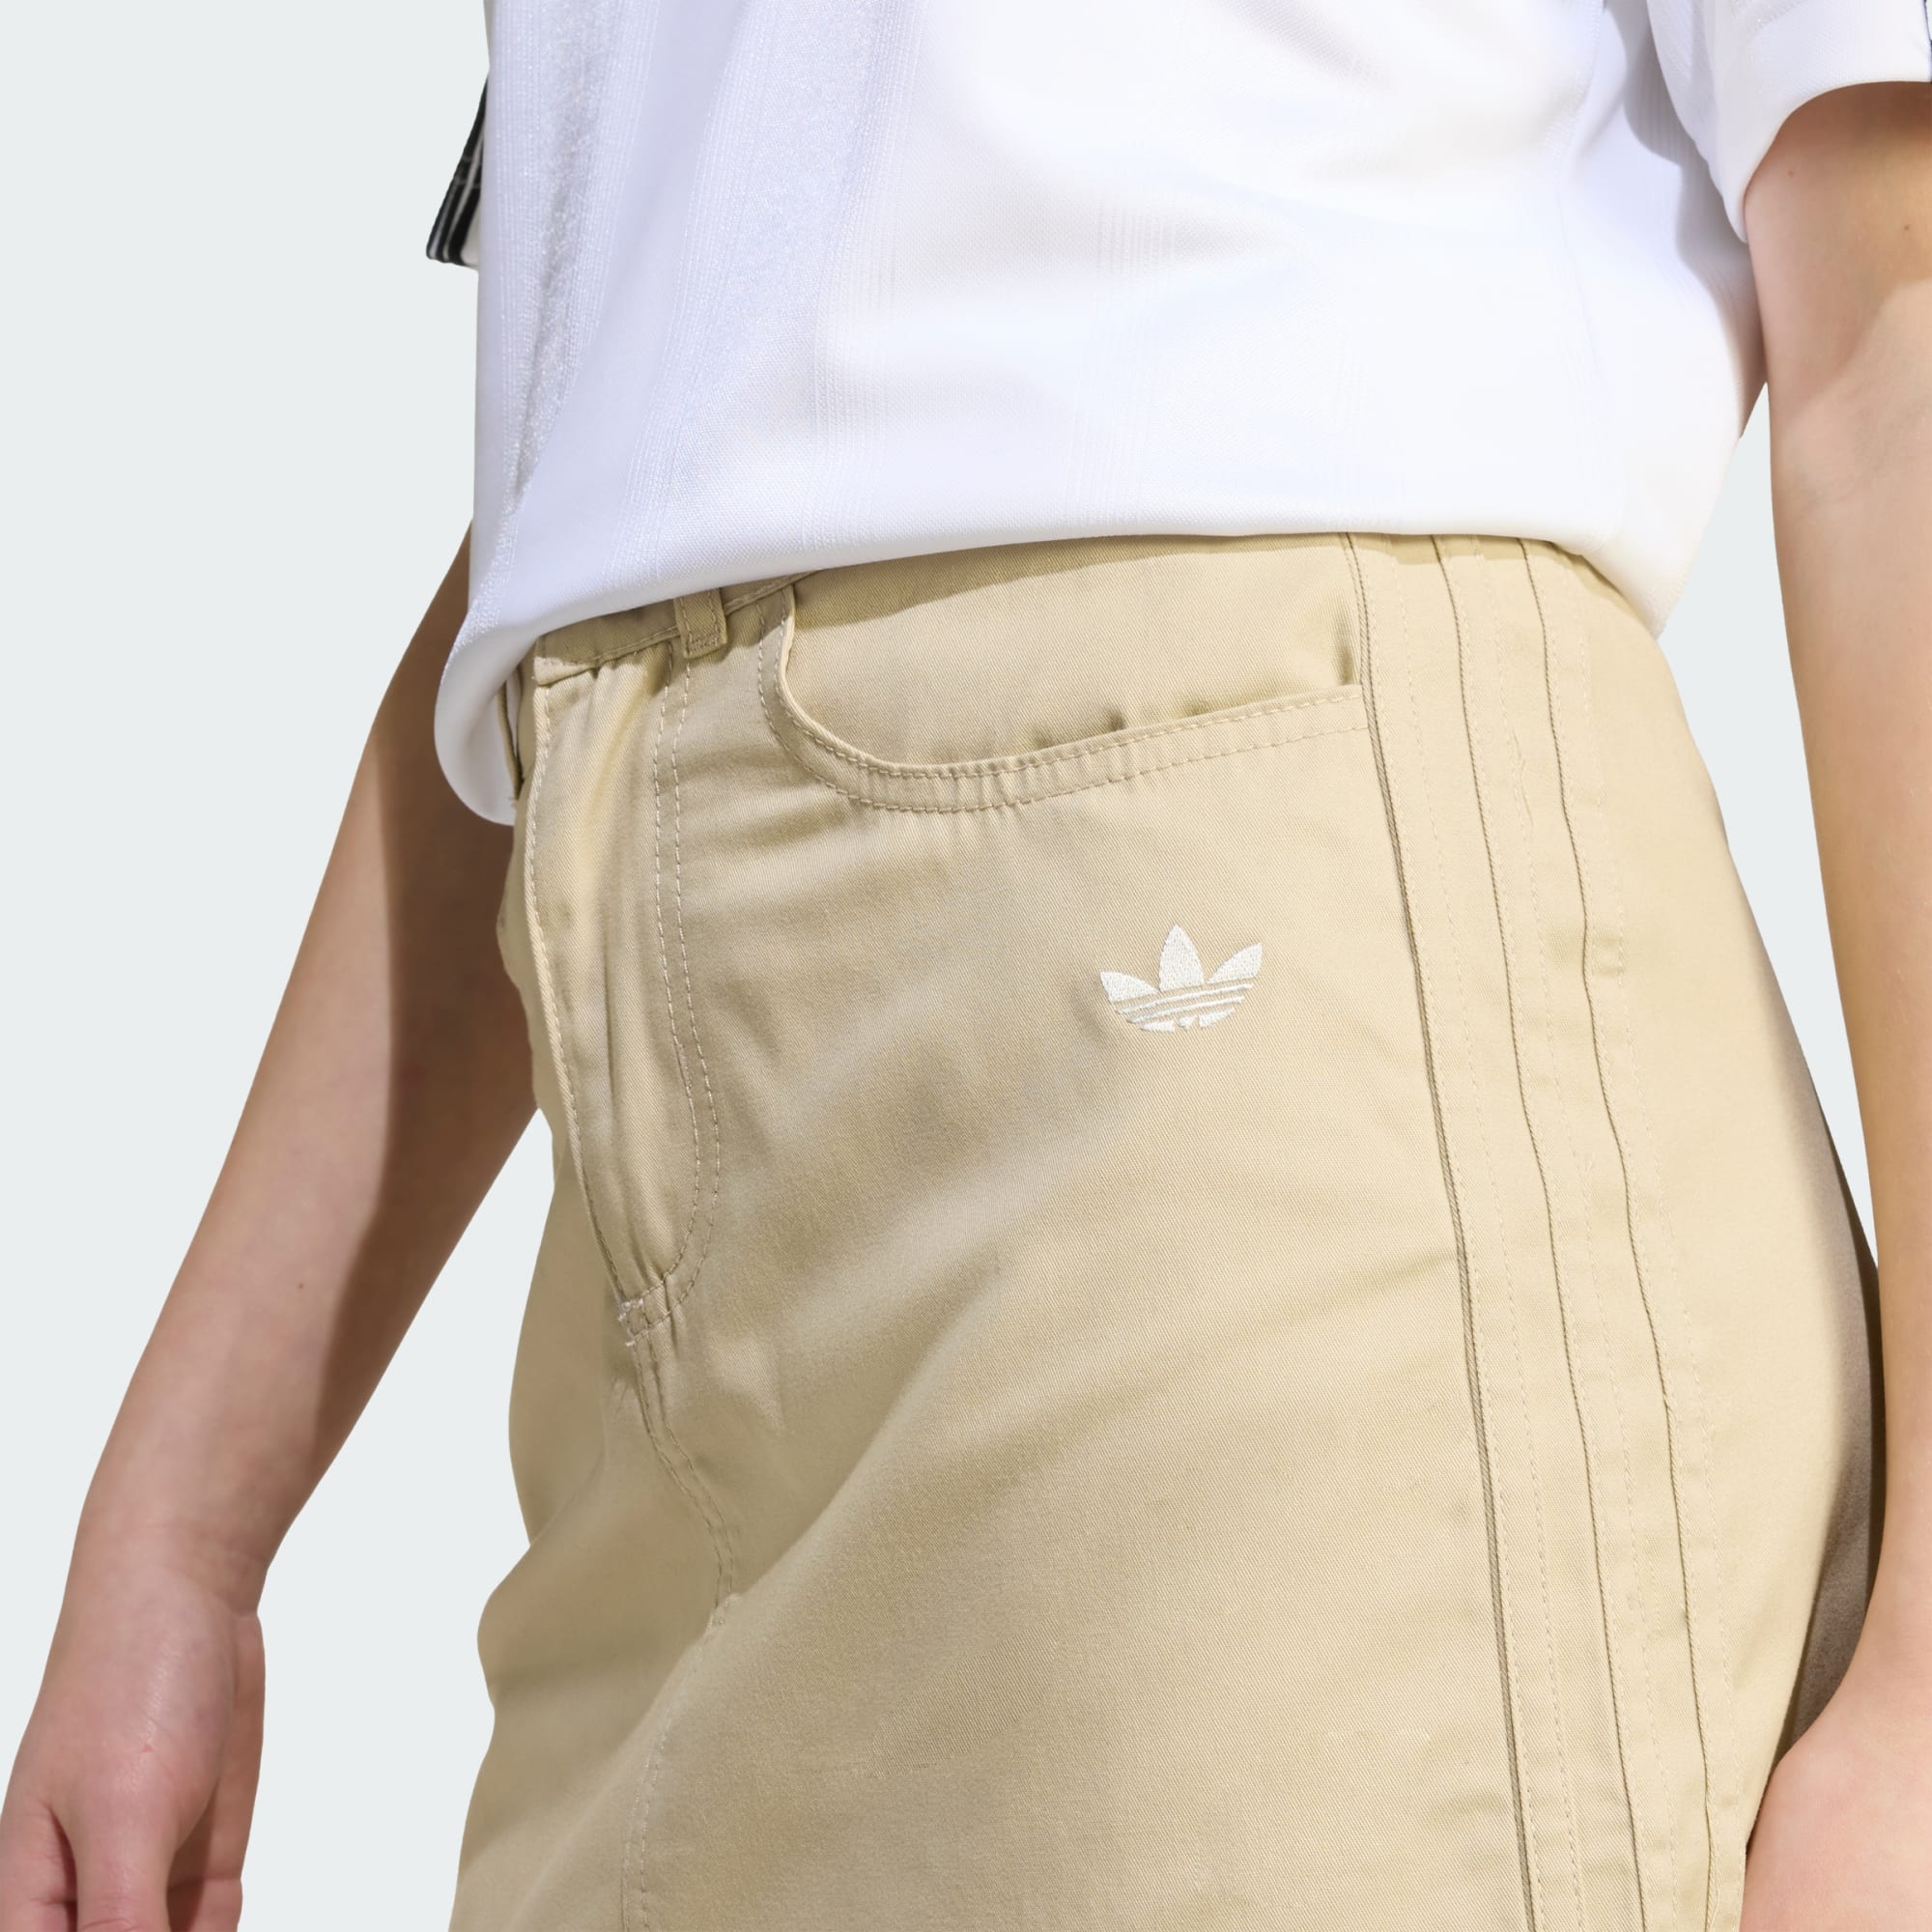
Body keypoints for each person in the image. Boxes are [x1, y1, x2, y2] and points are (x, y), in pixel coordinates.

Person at [3, 6, 1929, 1928]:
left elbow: (1887, 316)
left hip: (1249, 1092)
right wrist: (184, 1526)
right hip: (663, 1269)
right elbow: (620, 494)